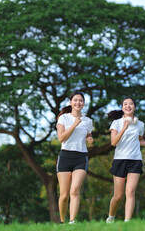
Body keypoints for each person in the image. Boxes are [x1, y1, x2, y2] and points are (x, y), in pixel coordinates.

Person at [106, 97, 145, 223]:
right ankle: (111, 216)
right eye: (125, 104)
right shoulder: (116, 123)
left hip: (135, 160)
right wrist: (124, 128)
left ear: (134, 107)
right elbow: (113, 142)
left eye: (131, 104)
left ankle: (127, 222)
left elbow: (139, 140)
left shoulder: (140, 124)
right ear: (122, 108)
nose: (128, 106)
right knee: (118, 196)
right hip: (120, 160)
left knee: (131, 191)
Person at [56, 91, 94, 224]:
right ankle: (62, 222)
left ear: (83, 104)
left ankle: (72, 222)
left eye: (81, 100)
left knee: (75, 190)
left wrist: (89, 138)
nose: (78, 103)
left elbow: (88, 135)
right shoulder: (64, 118)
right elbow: (61, 138)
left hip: (81, 157)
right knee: (64, 195)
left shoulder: (88, 121)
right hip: (65, 156)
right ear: (71, 102)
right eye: (75, 100)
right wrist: (74, 124)